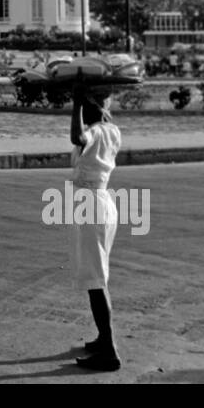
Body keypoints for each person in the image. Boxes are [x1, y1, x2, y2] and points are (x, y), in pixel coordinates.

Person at [69, 85, 123, 371]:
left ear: (88, 109)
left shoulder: (93, 132)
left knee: (94, 278)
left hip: (92, 205)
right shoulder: (112, 131)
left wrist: (75, 104)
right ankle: (104, 338)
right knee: (97, 275)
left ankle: (109, 351)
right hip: (100, 202)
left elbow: (77, 136)